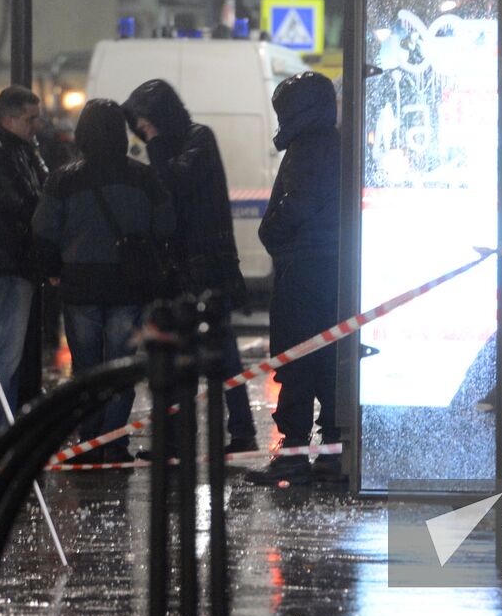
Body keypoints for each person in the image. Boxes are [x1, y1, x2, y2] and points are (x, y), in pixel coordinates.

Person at [32, 99, 174, 463]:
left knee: (86, 370)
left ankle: (88, 442)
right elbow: (166, 227)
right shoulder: (143, 177)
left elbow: (43, 231)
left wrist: (52, 269)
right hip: (129, 285)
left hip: (79, 285)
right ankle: (112, 442)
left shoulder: (64, 178)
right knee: (121, 367)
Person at [122, 78, 257, 455]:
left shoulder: (199, 138)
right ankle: (179, 438)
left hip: (208, 264)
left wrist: (156, 143)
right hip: (179, 266)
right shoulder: (168, 144)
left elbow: (175, 182)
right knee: (177, 354)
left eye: (147, 121)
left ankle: (241, 431)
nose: (143, 130)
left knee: (223, 352)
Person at [249, 72, 342, 487]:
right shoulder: (332, 144)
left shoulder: (308, 149)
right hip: (328, 270)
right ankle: (332, 450)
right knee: (327, 360)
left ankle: (294, 453)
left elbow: (297, 204)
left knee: (298, 359)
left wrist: (271, 231)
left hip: (303, 271)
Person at [0, 85, 47, 420]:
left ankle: (4, 423)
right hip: (9, 261)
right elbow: (21, 200)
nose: (36, 126)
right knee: (7, 352)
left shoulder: (16, 147)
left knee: (8, 350)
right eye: (31, 119)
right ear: (10, 119)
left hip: (12, 259)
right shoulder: (1, 152)